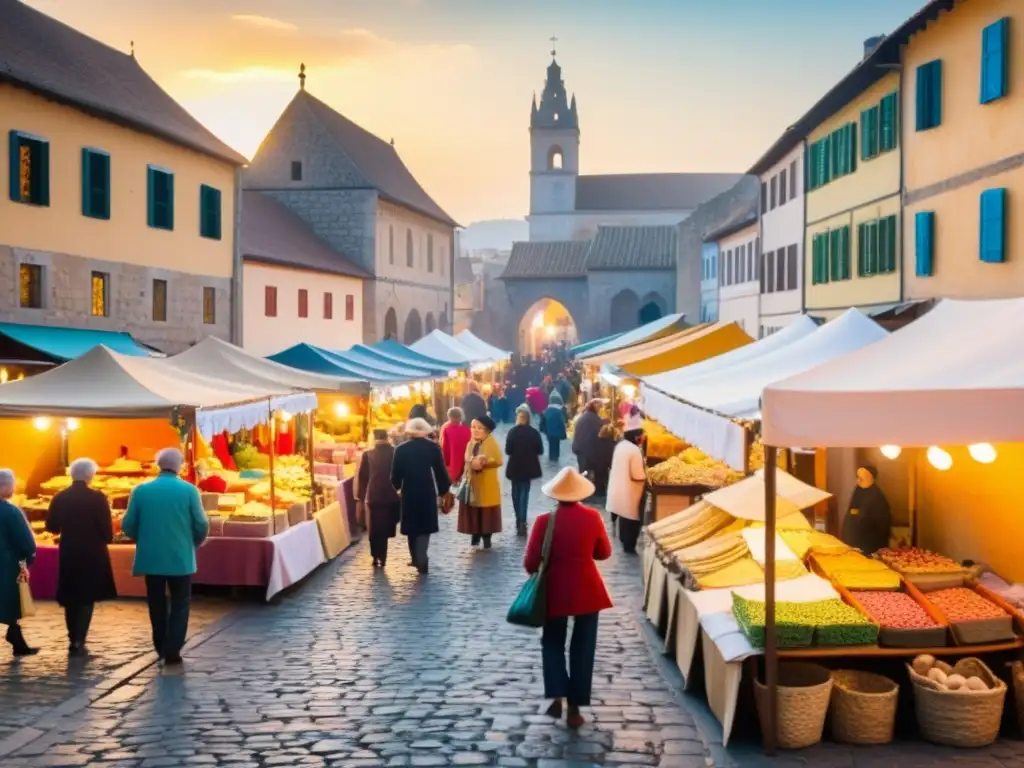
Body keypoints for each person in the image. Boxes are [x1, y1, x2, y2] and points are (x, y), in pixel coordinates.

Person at [525, 466, 612, 730]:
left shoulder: (544, 521)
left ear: (555, 495)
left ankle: (556, 693)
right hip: (588, 590)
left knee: (552, 642)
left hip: (554, 590)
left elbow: (530, 562)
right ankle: (575, 707)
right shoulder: (593, 517)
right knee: (584, 647)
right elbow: (604, 553)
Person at [122, 448, 209, 666]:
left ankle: (160, 644)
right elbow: (202, 523)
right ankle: (173, 648)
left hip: (151, 556)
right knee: (181, 603)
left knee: (156, 602)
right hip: (180, 556)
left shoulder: (141, 490)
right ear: (179, 466)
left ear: (158, 465)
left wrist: (141, 538)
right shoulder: (189, 491)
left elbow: (128, 524)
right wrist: (194, 542)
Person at [45, 458, 117, 654]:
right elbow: (106, 529)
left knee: (71, 593)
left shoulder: (60, 497)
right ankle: (79, 638)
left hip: (69, 549)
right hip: (92, 551)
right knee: (87, 595)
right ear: (89, 475)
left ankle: (72, 635)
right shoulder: (98, 497)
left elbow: (51, 526)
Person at [390, 418, 451, 574]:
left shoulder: (401, 449)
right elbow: (440, 472)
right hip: (427, 490)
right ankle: (422, 556)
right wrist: (444, 490)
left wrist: (397, 486)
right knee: (424, 526)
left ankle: (415, 558)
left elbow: (395, 475)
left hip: (409, 491)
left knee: (412, 527)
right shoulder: (433, 448)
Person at [0, 469, 37, 656]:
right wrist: (29, 558)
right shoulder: (10, 511)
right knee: (8, 602)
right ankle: (16, 638)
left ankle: (17, 638)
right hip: (6, 564)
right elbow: (25, 541)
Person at [355, 430, 401, 569]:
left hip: (374, 495)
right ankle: (383, 555)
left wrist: (361, 498)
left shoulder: (368, 454)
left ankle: (376, 555)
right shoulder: (395, 452)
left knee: (374, 528)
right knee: (386, 526)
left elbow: (363, 478)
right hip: (392, 495)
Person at [457, 415, 503, 548]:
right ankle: (475, 535)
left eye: (479, 428)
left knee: (486, 512)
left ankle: (487, 537)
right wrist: (471, 461)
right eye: (473, 427)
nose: (475, 430)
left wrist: (484, 462)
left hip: (486, 483)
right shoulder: (470, 442)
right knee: (474, 510)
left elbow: (498, 460)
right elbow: (466, 457)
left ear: (487, 430)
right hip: (472, 483)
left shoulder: (491, 442)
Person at [505, 406, 544, 536]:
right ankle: (522, 521)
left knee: (515, 495)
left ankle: (518, 520)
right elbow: (540, 450)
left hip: (515, 467)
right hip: (528, 468)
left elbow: (508, 450)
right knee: (524, 495)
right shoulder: (534, 433)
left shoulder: (512, 432)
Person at [607, 428, 647, 553]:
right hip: (630, 489)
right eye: (641, 436)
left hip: (619, 486)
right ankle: (629, 545)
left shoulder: (621, 445)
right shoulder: (634, 450)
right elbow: (638, 475)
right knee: (631, 518)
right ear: (636, 437)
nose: (643, 439)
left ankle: (624, 540)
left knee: (623, 516)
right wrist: (646, 475)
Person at [842, 465, 892, 555]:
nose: (858, 480)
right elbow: (851, 513)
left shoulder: (877, 496)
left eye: (862, 478)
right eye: (858, 478)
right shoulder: (858, 490)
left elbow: (882, 523)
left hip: (871, 544)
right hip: (854, 542)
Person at [571, 400, 606, 475]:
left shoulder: (587, 416)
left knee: (583, 471)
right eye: (600, 407)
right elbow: (599, 433)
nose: (601, 409)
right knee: (587, 473)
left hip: (580, 448)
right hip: (587, 450)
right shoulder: (593, 418)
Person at [439, 407, 472, 483]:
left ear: (449, 417)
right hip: (466, 463)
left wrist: (445, 462)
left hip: (453, 465)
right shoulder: (467, 430)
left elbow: (445, 448)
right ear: (461, 417)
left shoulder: (446, 429)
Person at [589, 423, 619, 498]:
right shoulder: (612, 443)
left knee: (598, 478)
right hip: (606, 464)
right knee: (604, 477)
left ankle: (597, 492)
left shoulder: (595, 441)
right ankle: (602, 492)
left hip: (596, 463)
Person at [541, 391, 569, 462]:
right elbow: (564, 420)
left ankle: (551, 456)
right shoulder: (560, 410)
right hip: (557, 430)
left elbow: (543, 421)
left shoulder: (546, 410)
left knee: (551, 443)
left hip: (549, 431)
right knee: (556, 443)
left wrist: (543, 429)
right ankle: (556, 456)